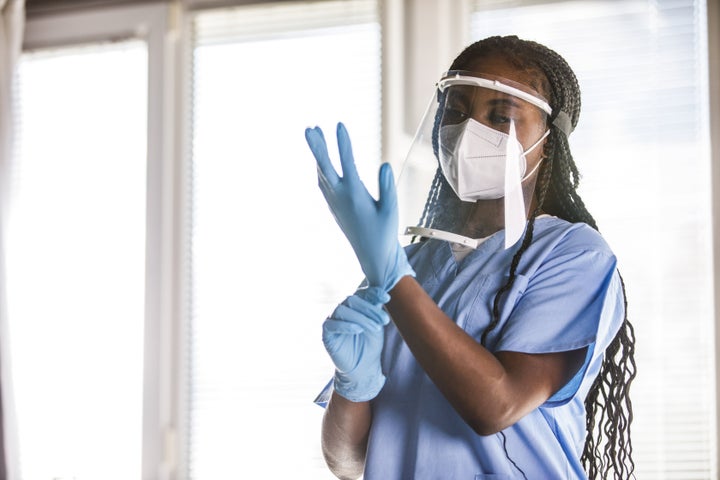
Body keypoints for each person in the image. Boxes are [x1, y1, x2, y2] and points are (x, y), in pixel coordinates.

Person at [305, 35, 636, 480]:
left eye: (501, 116)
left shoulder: (572, 255)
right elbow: (350, 463)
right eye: (457, 112)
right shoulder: (411, 266)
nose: (468, 132)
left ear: (550, 139)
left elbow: (496, 407)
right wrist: (354, 382)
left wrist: (389, 273)